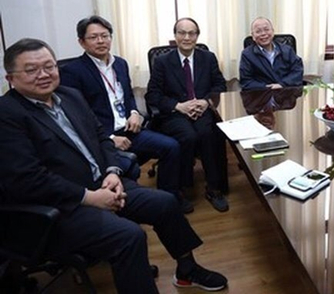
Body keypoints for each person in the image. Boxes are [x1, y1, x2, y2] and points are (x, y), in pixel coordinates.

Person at [0, 38, 227, 293]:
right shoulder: (7, 114)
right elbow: (27, 180)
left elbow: (101, 138)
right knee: (129, 236)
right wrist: (89, 197)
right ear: (11, 78)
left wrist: (112, 171)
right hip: (59, 207)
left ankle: (187, 270)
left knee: (166, 203)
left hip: (103, 184)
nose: (43, 75)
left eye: (49, 66)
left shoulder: (69, 96)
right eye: (31, 70)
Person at [60, 16, 193, 214]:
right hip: (102, 137)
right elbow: (77, 115)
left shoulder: (120, 63)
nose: (101, 41)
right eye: (94, 37)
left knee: (171, 146)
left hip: (130, 129)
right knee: (131, 163)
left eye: (105, 36)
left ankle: (170, 197)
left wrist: (134, 112)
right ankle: (127, 206)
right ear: (82, 42)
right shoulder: (72, 71)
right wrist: (109, 137)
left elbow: (128, 95)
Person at [145, 17, 229, 212]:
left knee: (209, 134)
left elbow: (220, 85)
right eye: (182, 33)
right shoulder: (162, 62)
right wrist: (178, 106)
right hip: (175, 113)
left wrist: (206, 101)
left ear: (197, 36)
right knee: (187, 136)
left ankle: (214, 188)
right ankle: (181, 188)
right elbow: (153, 95)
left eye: (191, 33)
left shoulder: (208, 58)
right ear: (175, 36)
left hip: (202, 109)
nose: (186, 37)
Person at [239, 17, 304, 90]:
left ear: (273, 32)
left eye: (266, 29)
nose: (263, 33)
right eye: (258, 31)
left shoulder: (287, 50)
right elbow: (246, 81)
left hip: (286, 92)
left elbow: (297, 72)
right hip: (261, 94)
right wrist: (268, 87)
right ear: (253, 36)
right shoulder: (247, 55)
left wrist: (282, 84)